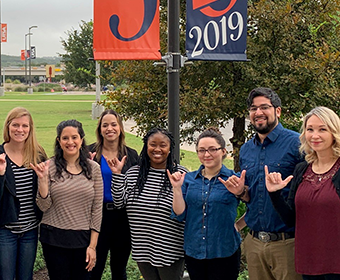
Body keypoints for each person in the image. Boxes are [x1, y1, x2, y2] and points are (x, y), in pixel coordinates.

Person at [220, 87, 303, 280]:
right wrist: (241, 192)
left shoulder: (297, 144)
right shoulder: (247, 149)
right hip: (255, 244)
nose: (258, 112)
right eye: (253, 108)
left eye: (264, 107)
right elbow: (252, 195)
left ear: (278, 111)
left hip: (288, 244)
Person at [266, 106, 340, 280]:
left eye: (322, 129)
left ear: (334, 132)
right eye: (310, 129)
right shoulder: (301, 170)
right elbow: (292, 219)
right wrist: (275, 194)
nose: (315, 135)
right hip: (309, 263)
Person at [108, 128, 187, 280]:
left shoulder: (180, 174)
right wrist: (117, 175)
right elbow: (119, 202)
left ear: (170, 149)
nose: (157, 149)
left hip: (169, 250)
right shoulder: (134, 174)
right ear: (146, 147)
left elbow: (184, 213)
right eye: (153, 144)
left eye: (163, 145)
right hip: (142, 249)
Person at [31, 119, 103, 280]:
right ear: (59, 141)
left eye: (74, 137)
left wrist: (92, 246)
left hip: (83, 240)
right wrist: (42, 181)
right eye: (65, 138)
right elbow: (43, 206)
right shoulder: (48, 167)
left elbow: (97, 209)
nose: (70, 142)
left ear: (81, 139)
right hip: (54, 239)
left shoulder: (94, 169)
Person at [168, 127, 241, 280]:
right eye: (201, 150)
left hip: (224, 251)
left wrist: (239, 225)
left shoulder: (234, 179)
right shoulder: (188, 179)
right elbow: (180, 214)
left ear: (223, 151)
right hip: (194, 251)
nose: (207, 154)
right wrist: (176, 189)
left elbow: (254, 207)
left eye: (212, 149)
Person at [88, 109, 139, 280]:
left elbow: (136, 186)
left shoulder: (131, 155)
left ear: (120, 128)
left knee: (119, 268)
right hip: (97, 216)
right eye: (105, 125)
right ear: (100, 129)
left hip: (122, 217)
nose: (109, 128)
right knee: (95, 267)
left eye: (113, 124)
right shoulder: (89, 153)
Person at [0, 107, 47, 280]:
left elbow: (45, 194)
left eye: (24, 126)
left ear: (30, 129)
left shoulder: (38, 155)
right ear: (8, 126)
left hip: (30, 230)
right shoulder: (0, 155)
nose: (20, 130)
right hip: (6, 230)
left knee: (25, 276)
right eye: (15, 125)